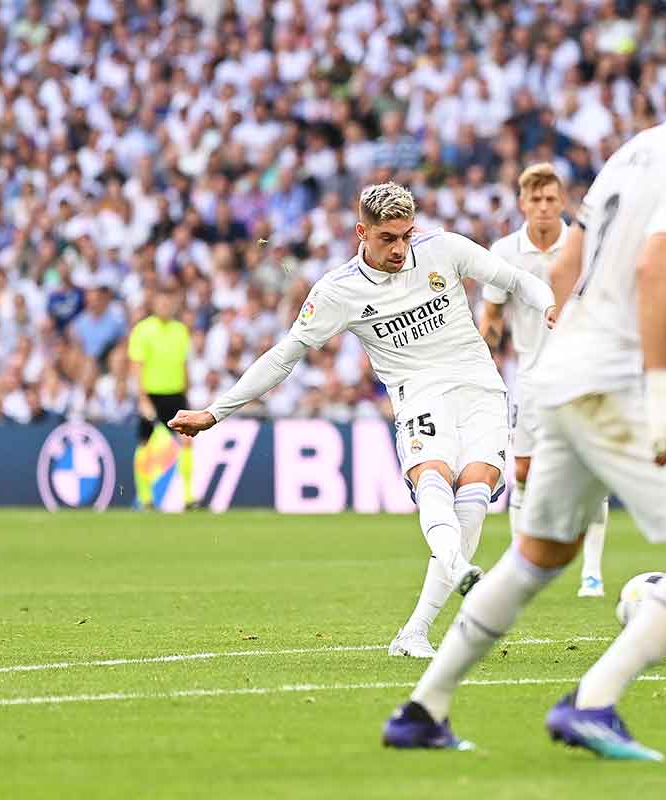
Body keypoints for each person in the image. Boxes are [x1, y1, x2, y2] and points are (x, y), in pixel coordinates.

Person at [383, 32, 666, 761]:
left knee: (538, 554)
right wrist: (660, 393)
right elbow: (656, 268)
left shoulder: (632, 152)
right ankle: (592, 702)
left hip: (556, 376)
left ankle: (423, 710)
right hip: (613, 381)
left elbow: (564, 269)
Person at [167, 183, 556, 659]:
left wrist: (549, 303)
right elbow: (284, 356)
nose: (400, 248)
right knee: (434, 479)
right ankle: (456, 567)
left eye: (406, 236)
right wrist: (216, 411)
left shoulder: (444, 249)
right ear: (361, 233)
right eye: (388, 238)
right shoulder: (338, 291)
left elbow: (515, 280)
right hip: (419, 395)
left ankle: (415, 631)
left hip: (481, 389)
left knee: (474, 496)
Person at [479, 163, 610, 598]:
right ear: (522, 203)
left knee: (590, 470)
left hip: (582, 371)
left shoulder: (583, 246)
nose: (543, 207)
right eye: (535, 199)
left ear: (563, 202)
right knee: (522, 471)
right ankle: (522, 566)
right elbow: (492, 313)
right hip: (531, 375)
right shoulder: (504, 252)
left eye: (551, 199)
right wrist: (483, 357)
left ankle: (592, 573)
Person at [127, 283, 196, 510]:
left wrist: (187, 393)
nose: (165, 306)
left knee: (187, 442)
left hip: (176, 395)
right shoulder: (143, 330)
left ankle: (189, 497)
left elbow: (184, 365)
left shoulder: (180, 330)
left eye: (168, 302)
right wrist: (142, 398)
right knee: (145, 444)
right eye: (161, 302)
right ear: (154, 304)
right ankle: (145, 497)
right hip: (152, 394)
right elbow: (137, 367)